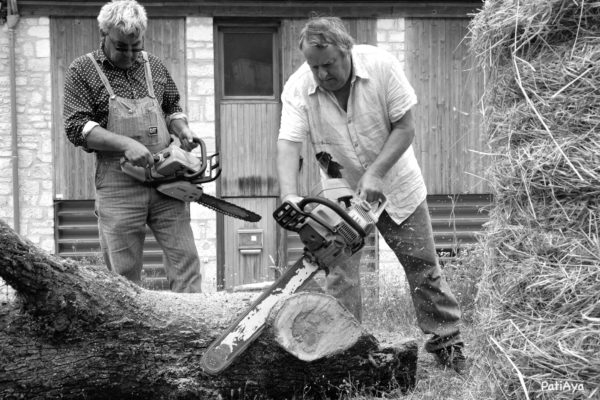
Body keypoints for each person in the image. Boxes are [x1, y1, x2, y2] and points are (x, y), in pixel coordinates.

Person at [277, 16, 466, 373]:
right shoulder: (299, 86)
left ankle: (449, 348)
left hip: (395, 181)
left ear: (345, 50)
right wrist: (289, 194)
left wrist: (376, 172)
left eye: (328, 64)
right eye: (314, 66)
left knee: (422, 266)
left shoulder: (381, 65)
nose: (321, 74)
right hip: (339, 185)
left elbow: (405, 128)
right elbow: (288, 143)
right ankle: (345, 355)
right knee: (341, 275)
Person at [63, 0, 202, 293]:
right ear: (104, 34)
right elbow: (77, 126)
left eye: (135, 47)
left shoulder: (155, 66)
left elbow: (172, 107)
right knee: (124, 275)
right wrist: (124, 143)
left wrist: (183, 129)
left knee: (185, 260)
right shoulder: (82, 70)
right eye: (121, 47)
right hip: (118, 184)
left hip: (166, 178)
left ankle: (192, 328)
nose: (129, 54)